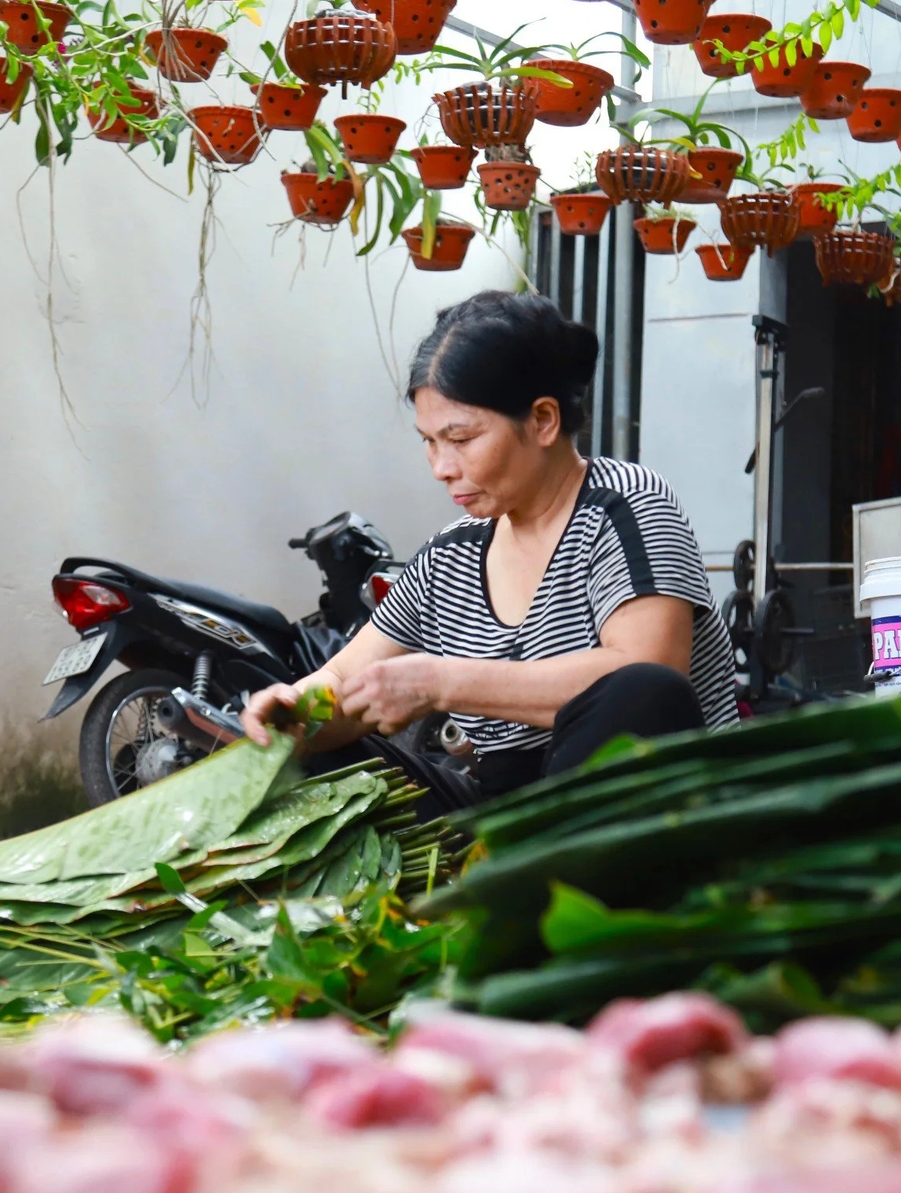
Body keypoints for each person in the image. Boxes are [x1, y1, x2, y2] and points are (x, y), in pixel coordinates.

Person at [242, 290, 738, 808]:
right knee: (314, 758)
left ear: (543, 420)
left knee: (642, 691)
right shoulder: (449, 555)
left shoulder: (627, 506)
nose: (442, 467)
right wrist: (289, 712)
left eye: (461, 438)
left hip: (641, 799)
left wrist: (442, 682)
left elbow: (651, 669)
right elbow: (345, 678)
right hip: (501, 810)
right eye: (429, 441)